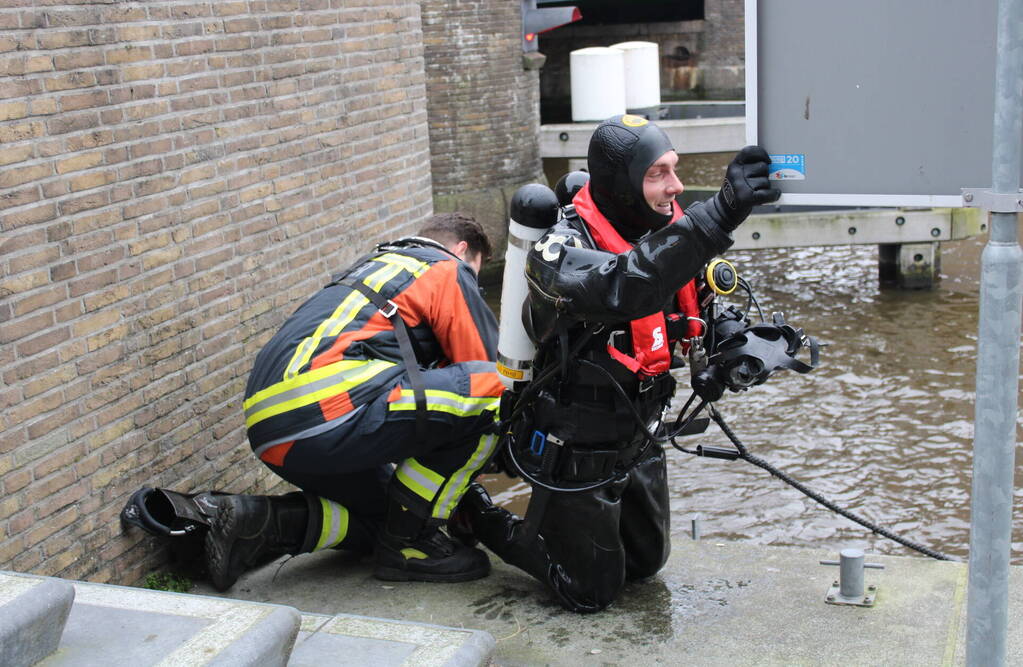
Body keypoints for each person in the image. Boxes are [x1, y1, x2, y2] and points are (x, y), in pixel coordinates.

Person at [456, 114, 780, 612]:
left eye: (675, 169)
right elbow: (623, 284)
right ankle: (480, 515)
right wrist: (719, 213)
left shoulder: (670, 232)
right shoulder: (559, 251)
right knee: (589, 593)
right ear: (619, 183)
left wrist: (739, 345)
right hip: (577, 441)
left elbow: (704, 304)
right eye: (657, 174)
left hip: (639, 429)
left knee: (648, 564)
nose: (674, 186)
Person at [203, 213, 504, 590]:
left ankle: (258, 522)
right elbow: (482, 369)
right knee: (496, 391)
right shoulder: (446, 268)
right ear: (461, 251)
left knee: (393, 517)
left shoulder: (369, 270)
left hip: (272, 433)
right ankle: (413, 549)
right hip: (330, 411)